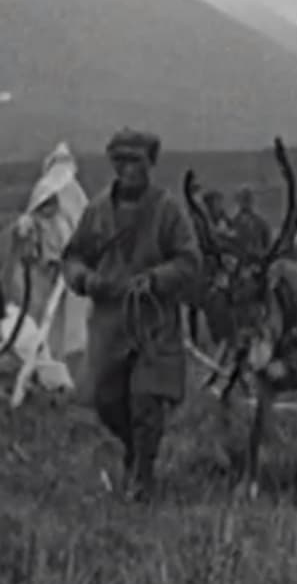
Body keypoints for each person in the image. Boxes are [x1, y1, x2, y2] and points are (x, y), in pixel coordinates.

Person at [62, 128, 202, 500]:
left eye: (135, 161)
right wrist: (86, 279)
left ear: (150, 164)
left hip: (153, 325)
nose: (127, 169)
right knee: (107, 403)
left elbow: (190, 262)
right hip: (109, 326)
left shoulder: (168, 210)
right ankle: (134, 452)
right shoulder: (96, 211)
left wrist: (156, 279)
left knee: (146, 401)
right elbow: (72, 257)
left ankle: (142, 476)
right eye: (120, 161)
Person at [232, 186, 271, 254]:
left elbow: (267, 246)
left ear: (252, 201)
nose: (246, 202)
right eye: (244, 199)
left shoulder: (261, 223)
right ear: (239, 201)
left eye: (248, 199)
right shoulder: (233, 223)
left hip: (257, 260)